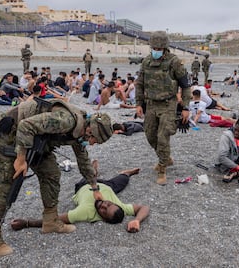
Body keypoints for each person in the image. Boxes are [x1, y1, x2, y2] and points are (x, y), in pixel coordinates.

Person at [0, 99, 114, 256]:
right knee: (5, 186)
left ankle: (50, 221)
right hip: (9, 135)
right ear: (90, 131)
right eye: (94, 140)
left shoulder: (80, 130)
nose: (92, 144)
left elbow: (83, 160)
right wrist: (21, 159)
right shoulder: (66, 121)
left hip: (37, 140)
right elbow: (25, 126)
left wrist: (94, 187)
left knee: (51, 173)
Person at [10, 162, 149, 233]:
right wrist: (137, 220)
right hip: (109, 187)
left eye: (104, 210)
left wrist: (26, 223)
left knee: (89, 177)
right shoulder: (121, 208)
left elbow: (54, 219)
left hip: (84, 186)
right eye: (109, 204)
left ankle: (93, 172)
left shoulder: (86, 213)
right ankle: (125, 173)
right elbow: (144, 207)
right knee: (123, 179)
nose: (103, 204)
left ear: (103, 219)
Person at [135, 31, 191, 185]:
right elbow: (139, 84)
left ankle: (162, 169)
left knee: (163, 136)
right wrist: (139, 104)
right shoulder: (146, 62)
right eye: (154, 47)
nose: (156, 50)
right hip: (151, 104)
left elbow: (185, 86)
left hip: (168, 104)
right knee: (150, 135)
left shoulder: (174, 62)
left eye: (159, 48)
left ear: (165, 48)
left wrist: (185, 107)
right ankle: (166, 158)